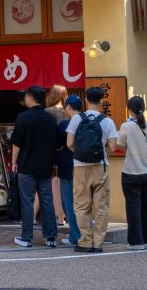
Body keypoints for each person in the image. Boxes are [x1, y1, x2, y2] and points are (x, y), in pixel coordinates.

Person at [66, 86, 120, 253]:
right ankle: (98, 242)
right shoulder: (108, 121)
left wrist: (81, 153)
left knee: (81, 206)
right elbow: (112, 147)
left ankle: (85, 241)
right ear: (101, 101)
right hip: (100, 166)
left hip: (80, 167)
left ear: (86, 100)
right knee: (101, 206)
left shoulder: (76, 119)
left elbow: (69, 144)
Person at [10, 85, 58, 248]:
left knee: (27, 201)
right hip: (46, 165)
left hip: (26, 165)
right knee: (47, 200)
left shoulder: (23, 118)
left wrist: (14, 162)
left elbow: (17, 143)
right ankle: (50, 237)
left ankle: (26, 237)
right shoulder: (50, 118)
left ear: (30, 98)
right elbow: (57, 143)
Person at [118, 96, 147, 250]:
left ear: (130, 109)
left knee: (134, 208)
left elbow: (121, 145)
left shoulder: (126, 126)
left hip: (131, 172)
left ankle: (137, 242)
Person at [56, 95, 83, 247]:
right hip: (88, 167)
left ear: (68, 107)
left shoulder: (64, 125)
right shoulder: (89, 121)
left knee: (69, 202)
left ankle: (75, 236)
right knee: (85, 201)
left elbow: (58, 146)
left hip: (68, 167)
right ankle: (89, 234)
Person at [44, 84, 68, 230]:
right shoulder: (67, 112)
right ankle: (61, 216)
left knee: (47, 184)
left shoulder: (47, 112)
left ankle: (34, 215)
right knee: (59, 184)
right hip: (66, 152)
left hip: (49, 152)